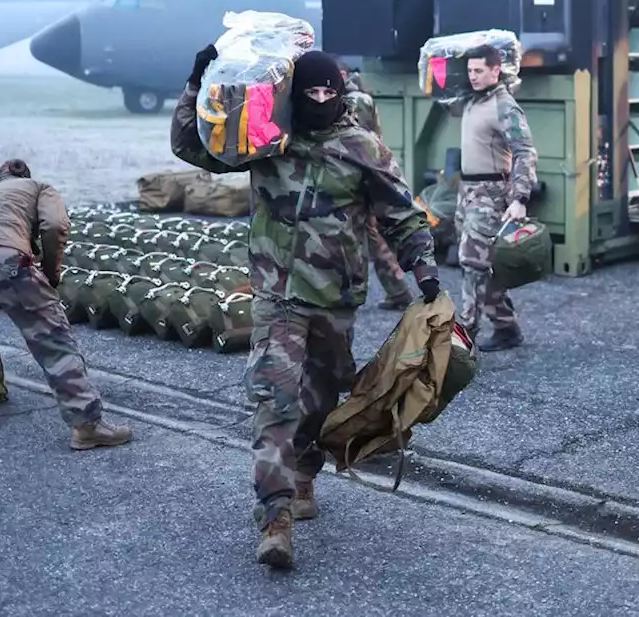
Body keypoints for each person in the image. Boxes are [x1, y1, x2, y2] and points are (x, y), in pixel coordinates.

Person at [170, 45, 440, 569]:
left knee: (322, 400)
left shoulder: (363, 149)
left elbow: (402, 215)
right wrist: (195, 83)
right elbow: (192, 147)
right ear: (295, 96)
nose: (319, 100)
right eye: (309, 93)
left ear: (340, 95)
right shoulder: (268, 140)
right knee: (275, 400)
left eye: (327, 93)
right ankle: (275, 518)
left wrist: (423, 270)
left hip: (336, 300)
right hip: (277, 297)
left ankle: (305, 474)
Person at [0, 159, 133, 450]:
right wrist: (51, 274)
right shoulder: (40, 187)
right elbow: (55, 225)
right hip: (0, 255)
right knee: (51, 336)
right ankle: (87, 424)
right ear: (26, 177)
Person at [455, 44, 538, 352]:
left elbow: (524, 151)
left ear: (495, 70)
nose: (473, 76)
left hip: (490, 196)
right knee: (481, 265)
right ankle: (506, 327)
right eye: (470, 71)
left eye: (479, 71)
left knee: (472, 262)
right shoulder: (470, 100)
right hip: (468, 193)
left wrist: (520, 198)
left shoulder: (505, 105)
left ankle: (462, 341)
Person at [340, 65, 417, 310]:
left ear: (342, 74)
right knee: (371, 237)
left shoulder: (355, 100)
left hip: (362, 176)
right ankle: (398, 291)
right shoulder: (353, 97)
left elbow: (358, 142)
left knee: (357, 236)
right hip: (364, 175)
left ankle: (357, 292)